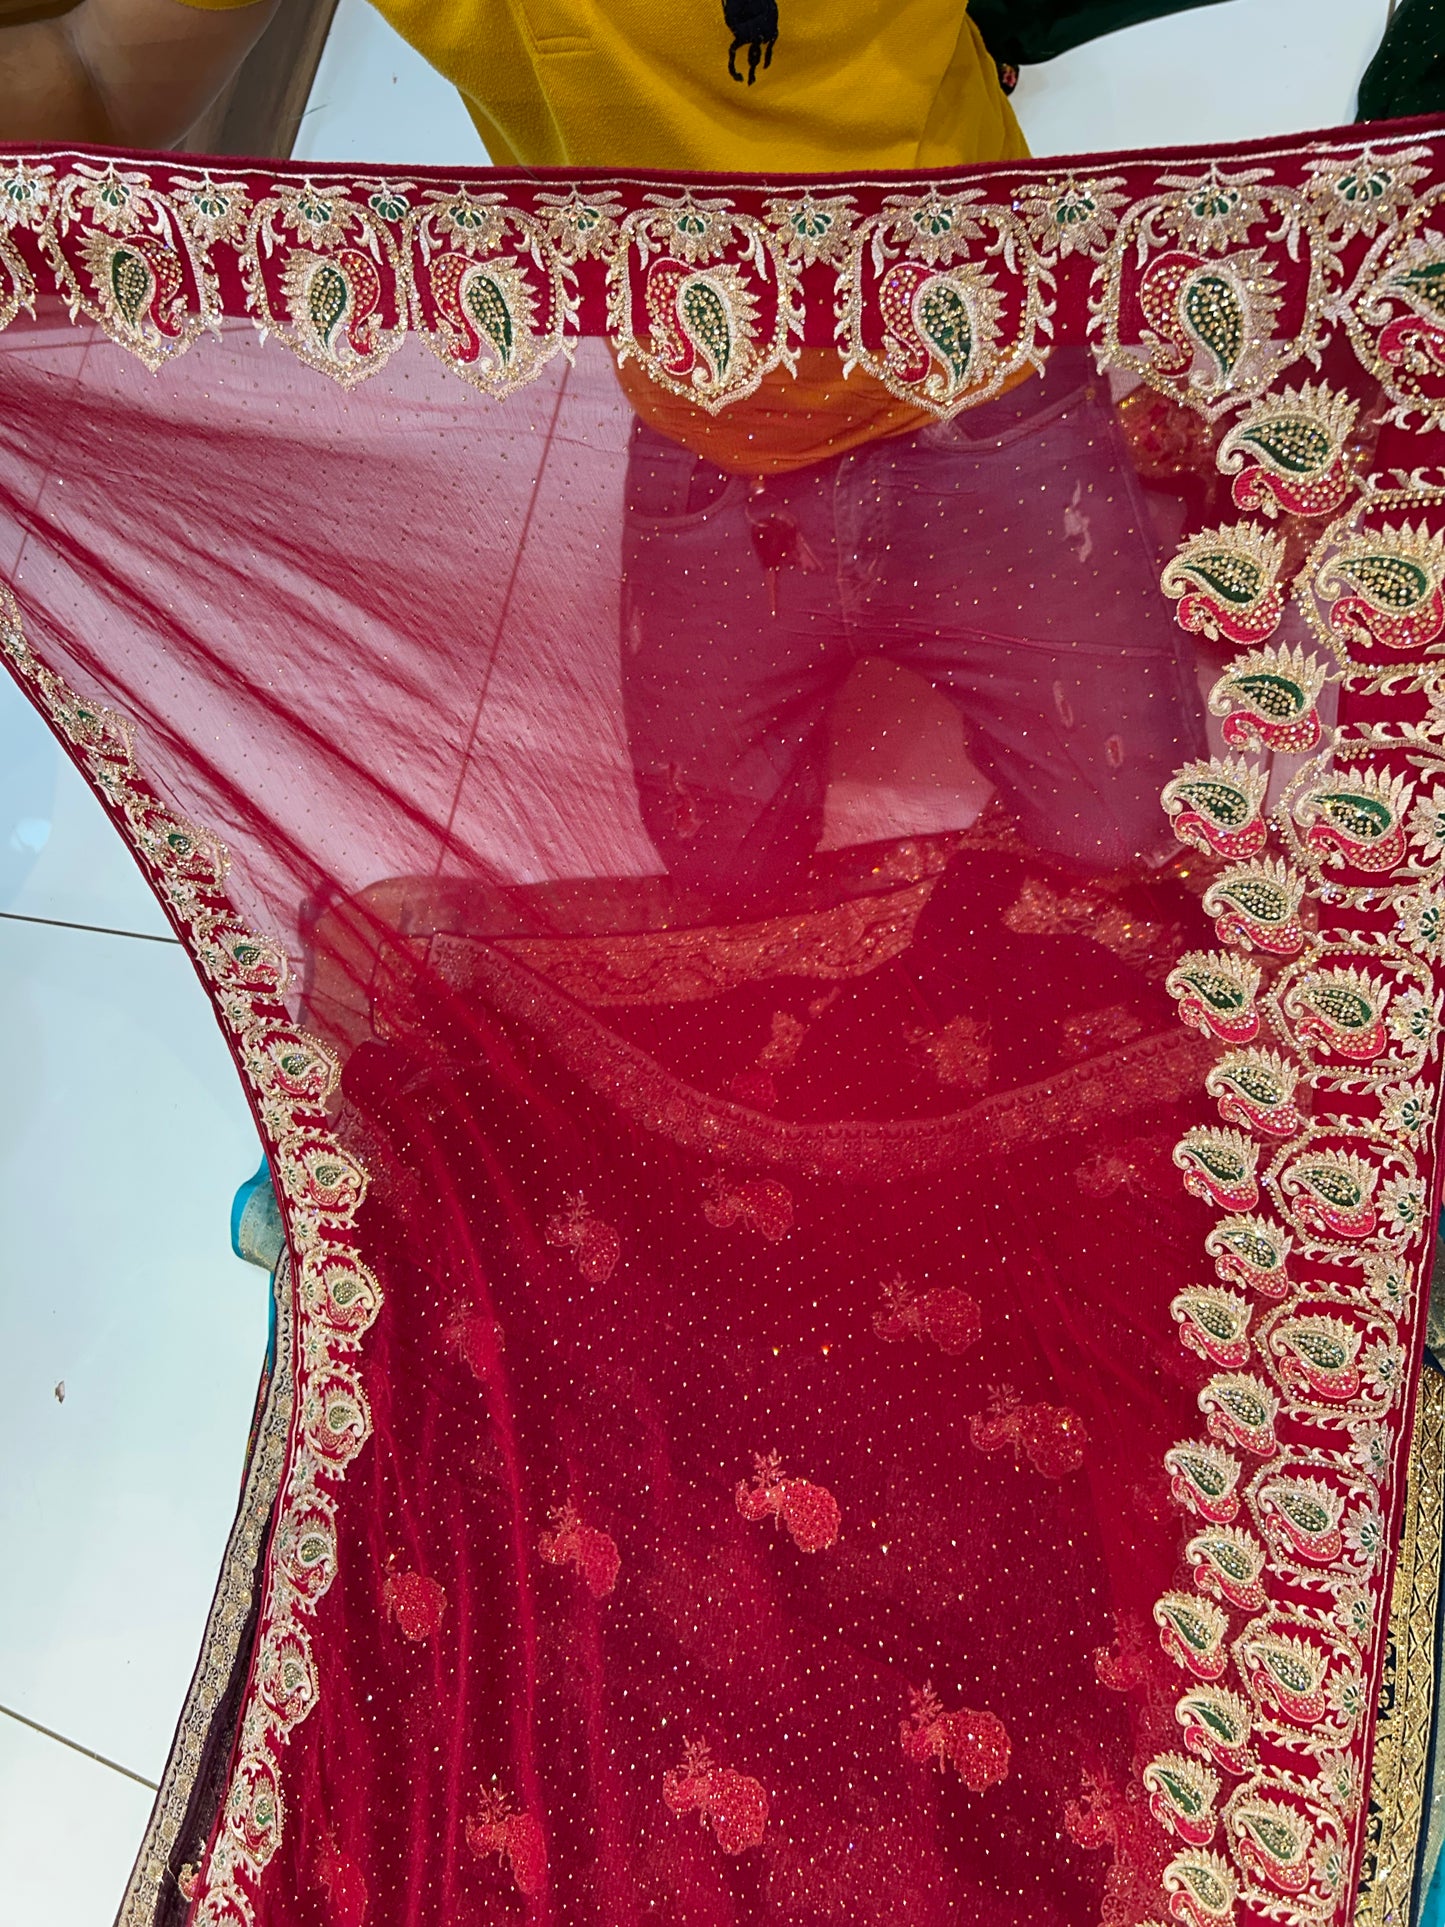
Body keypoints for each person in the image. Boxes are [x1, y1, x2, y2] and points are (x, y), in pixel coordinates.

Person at [3, 0, 1202, 903]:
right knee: (718, 868)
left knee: (1130, 851)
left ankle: (1120, 518)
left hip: (987, 366)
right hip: (706, 419)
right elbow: (97, 77)